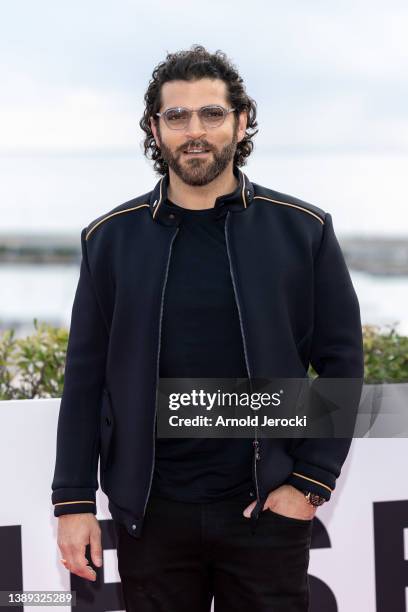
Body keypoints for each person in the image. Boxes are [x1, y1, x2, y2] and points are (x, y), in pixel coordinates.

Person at [52, 45, 364, 611]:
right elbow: (85, 379)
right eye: (177, 116)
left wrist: (310, 483)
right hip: (151, 516)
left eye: (212, 114)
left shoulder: (304, 230)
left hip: (266, 510)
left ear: (241, 121)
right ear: (156, 128)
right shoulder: (110, 240)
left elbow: (342, 360)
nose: (195, 131)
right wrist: (72, 502)